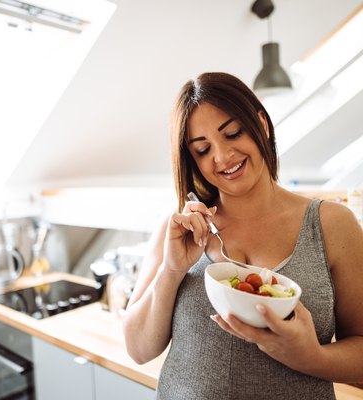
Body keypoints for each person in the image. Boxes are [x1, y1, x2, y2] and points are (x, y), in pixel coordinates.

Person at [122, 72, 363, 399]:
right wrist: (172, 269)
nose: (222, 157)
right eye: (203, 150)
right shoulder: (179, 229)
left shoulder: (332, 224)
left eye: (232, 133)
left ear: (261, 125)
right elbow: (138, 349)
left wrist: (311, 358)